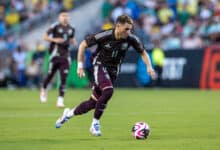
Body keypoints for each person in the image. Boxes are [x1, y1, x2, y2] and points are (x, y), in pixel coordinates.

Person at [55, 15, 156, 136]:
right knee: (108, 91)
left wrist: (149, 66)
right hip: (99, 65)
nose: (129, 31)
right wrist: (80, 66)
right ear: (118, 26)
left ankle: (68, 114)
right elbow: (82, 45)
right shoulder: (105, 35)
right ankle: (95, 124)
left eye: (130, 29)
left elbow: (143, 53)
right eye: (126, 29)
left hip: (113, 71)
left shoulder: (131, 39)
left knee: (92, 103)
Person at [40, 10, 77, 108]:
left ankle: (60, 100)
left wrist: (74, 42)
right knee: (50, 75)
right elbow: (45, 36)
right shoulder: (55, 26)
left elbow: (72, 38)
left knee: (63, 78)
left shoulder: (72, 28)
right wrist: (54, 39)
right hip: (55, 55)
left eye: (66, 15)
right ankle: (44, 89)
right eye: (63, 15)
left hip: (65, 57)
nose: (65, 17)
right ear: (59, 17)